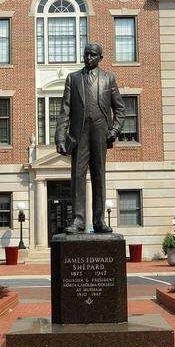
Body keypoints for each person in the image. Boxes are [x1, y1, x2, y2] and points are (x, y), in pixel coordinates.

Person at [54, 42, 126, 233]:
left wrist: (115, 130)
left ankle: (99, 220)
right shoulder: (73, 78)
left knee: (99, 175)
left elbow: (120, 109)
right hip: (79, 134)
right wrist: (60, 137)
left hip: (101, 132)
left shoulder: (109, 79)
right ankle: (78, 220)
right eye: (86, 54)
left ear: (100, 58)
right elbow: (65, 111)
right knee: (77, 176)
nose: (88, 57)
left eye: (93, 55)